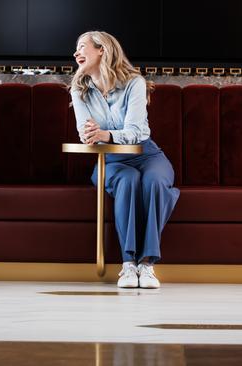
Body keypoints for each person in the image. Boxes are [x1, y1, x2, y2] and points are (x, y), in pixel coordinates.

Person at [70, 31, 180, 289]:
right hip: (109, 160)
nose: (76, 53)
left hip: (146, 153)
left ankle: (147, 264)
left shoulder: (134, 83)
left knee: (154, 183)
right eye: (75, 48)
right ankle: (128, 265)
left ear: (102, 50)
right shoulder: (79, 89)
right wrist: (95, 135)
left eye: (82, 47)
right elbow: (86, 133)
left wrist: (105, 133)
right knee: (127, 181)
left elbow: (137, 132)